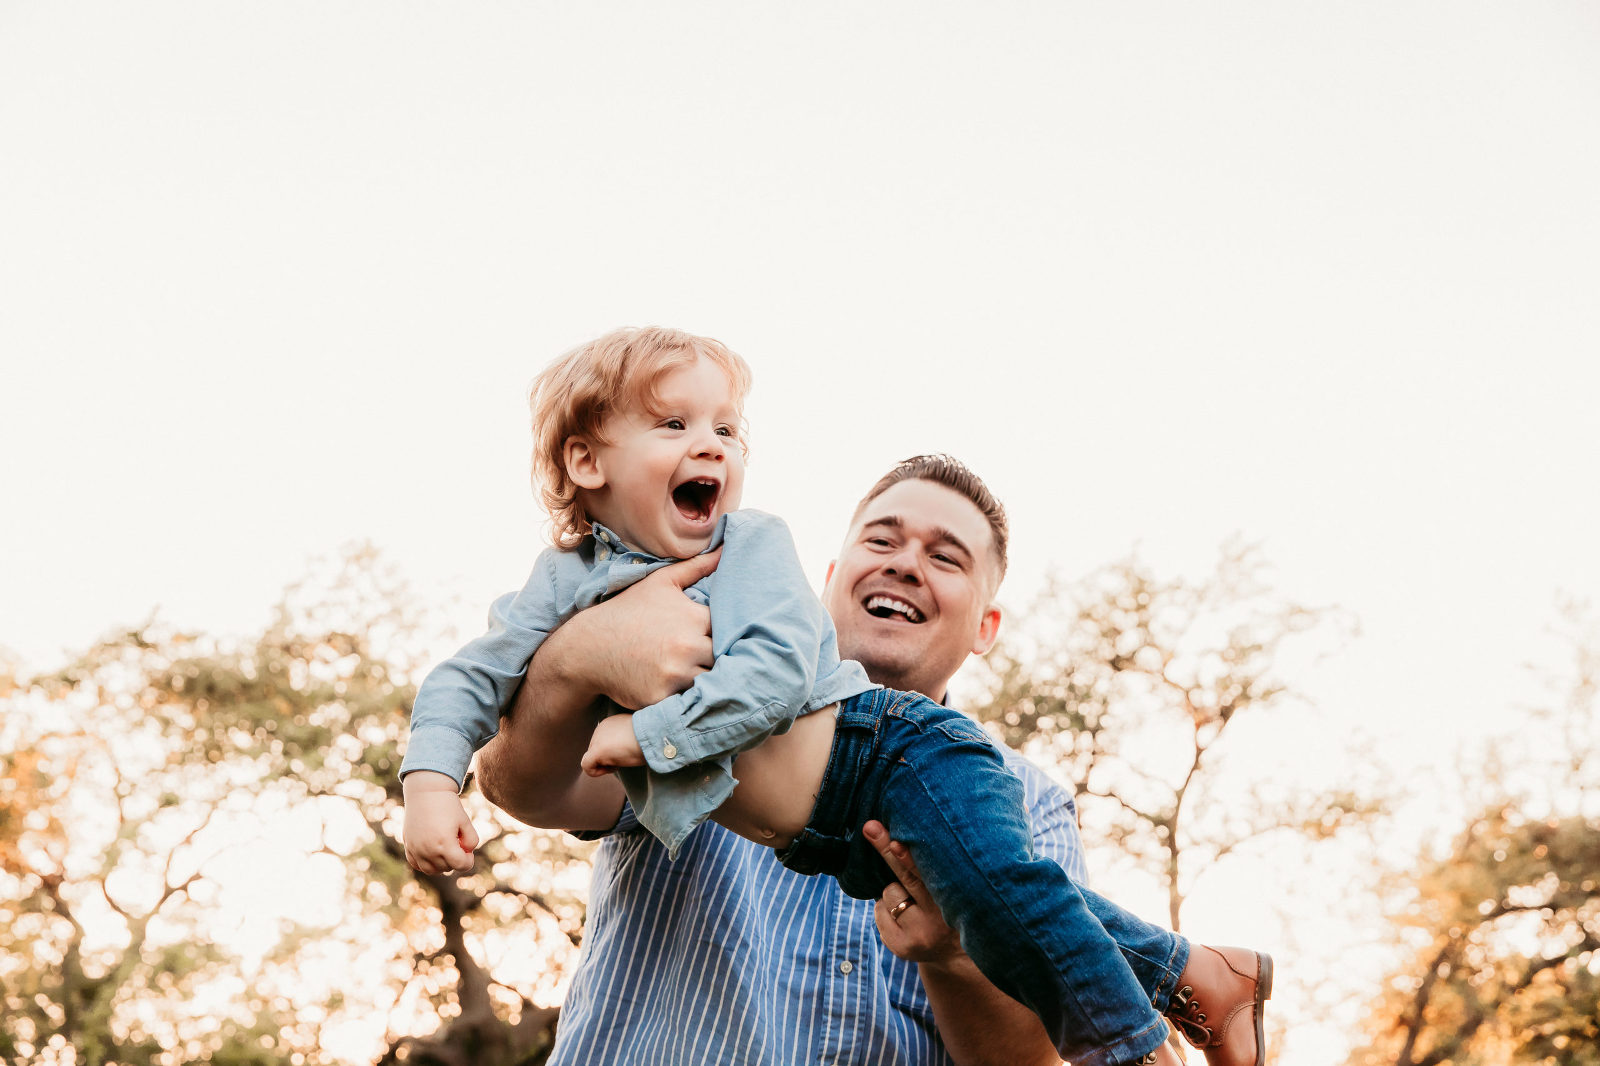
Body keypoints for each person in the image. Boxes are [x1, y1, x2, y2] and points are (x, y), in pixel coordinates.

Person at [403, 327, 1270, 1066]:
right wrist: (434, 778)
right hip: (820, 829)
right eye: (882, 538)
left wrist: (954, 960)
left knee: (1002, 890)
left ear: (985, 626)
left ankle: (1131, 1048)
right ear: (830, 578)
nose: (904, 562)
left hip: (890, 747)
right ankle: (1197, 973)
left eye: (946, 557)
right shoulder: (586, 596)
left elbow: (775, 671)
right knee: (996, 879)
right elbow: (488, 705)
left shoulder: (747, 554)